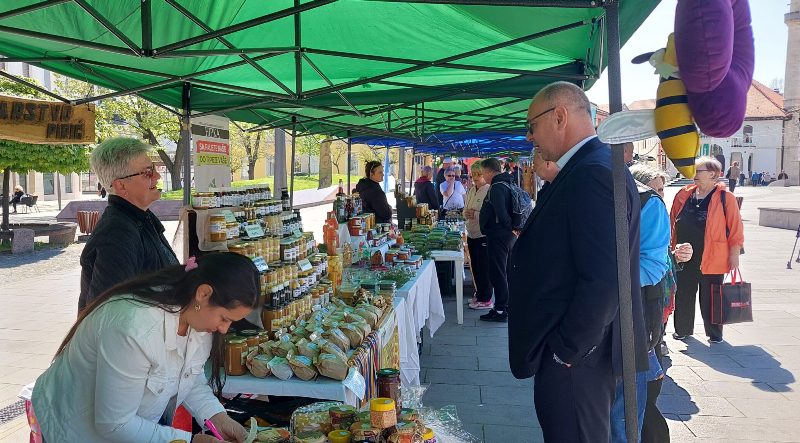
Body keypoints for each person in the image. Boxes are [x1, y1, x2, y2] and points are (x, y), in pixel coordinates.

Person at [508, 81, 648, 442]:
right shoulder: (587, 167)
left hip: (578, 359)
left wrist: (566, 351)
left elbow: (604, 280)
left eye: (532, 126)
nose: (530, 137)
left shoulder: (592, 173)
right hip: (577, 356)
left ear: (559, 116)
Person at [32, 252, 258, 443]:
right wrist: (188, 440)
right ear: (204, 294)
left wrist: (218, 417)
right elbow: (114, 424)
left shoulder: (196, 319)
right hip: (76, 429)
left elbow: (190, 376)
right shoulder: (133, 327)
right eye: (224, 318)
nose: (224, 330)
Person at [630, 164, 694, 443]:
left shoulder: (652, 210)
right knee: (648, 385)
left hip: (653, 308)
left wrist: (676, 256)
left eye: (661, 190)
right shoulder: (646, 208)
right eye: (654, 189)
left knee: (646, 389)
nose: (659, 196)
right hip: (646, 308)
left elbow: (652, 262)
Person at [610, 162, 671, 443]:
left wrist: (599, 281)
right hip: (599, 321)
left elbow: (652, 266)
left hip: (633, 317)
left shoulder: (649, 203)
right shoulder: (598, 193)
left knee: (625, 410)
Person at [80, 137, 179, 312]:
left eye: (154, 169)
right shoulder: (117, 233)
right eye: (147, 172)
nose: (156, 176)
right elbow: (111, 312)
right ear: (121, 185)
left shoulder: (139, 218)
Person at [670, 156, 744, 344]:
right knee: (684, 292)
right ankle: (682, 330)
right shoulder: (683, 194)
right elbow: (672, 221)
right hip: (684, 254)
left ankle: (714, 333)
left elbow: (736, 228)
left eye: (698, 171)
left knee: (712, 295)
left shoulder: (725, 198)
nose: (693, 175)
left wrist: (734, 255)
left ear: (713, 174)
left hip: (713, 254)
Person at [478, 158, 516, 323]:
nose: (483, 176)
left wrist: (508, 227)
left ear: (488, 171)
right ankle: (504, 306)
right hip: (506, 235)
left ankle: (501, 309)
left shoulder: (497, 187)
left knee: (498, 272)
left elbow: (501, 212)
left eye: (483, 172)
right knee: (504, 271)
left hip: (499, 235)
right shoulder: (507, 183)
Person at [463, 161, 493, 310]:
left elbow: (490, 214)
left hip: (482, 234)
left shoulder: (489, 190)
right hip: (472, 233)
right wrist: (466, 213)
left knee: (484, 268)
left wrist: (475, 214)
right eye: (473, 174)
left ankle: (486, 298)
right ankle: (480, 295)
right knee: (475, 267)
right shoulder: (471, 190)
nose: (475, 177)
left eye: (478, 174)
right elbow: (465, 208)